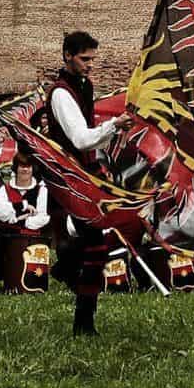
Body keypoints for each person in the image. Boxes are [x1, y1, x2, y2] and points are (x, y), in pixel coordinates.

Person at [46, 29, 132, 335]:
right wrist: (114, 125)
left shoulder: (85, 85)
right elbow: (81, 139)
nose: (90, 64)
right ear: (67, 55)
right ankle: (82, 319)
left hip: (84, 174)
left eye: (93, 59)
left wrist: (103, 156)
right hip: (66, 179)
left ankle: (80, 309)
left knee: (95, 247)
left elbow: (90, 139)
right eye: (84, 59)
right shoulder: (60, 93)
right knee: (94, 246)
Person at [0, 151, 52, 293]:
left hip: (31, 234)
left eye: (28, 166)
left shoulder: (41, 190)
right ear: (15, 168)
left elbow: (43, 217)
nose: (25, 169)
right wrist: (23, 207)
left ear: (33, 168)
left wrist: (19, 221)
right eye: (22, 166)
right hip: (6, 233)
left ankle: (32, 282)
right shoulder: (4, 189)